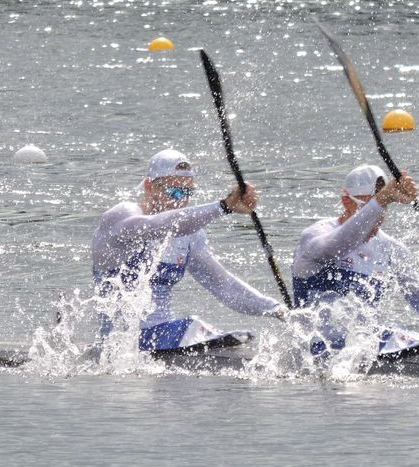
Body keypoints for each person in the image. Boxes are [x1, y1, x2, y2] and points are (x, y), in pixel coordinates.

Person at [291, 164, 419, 354]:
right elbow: (335, 246)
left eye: (384, 207)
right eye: (368, 207)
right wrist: (380, 200)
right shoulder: (316, 235)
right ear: (345, 201)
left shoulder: (390, 249)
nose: (377, 216)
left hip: (364, 346)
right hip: (318, 347)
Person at [92, 149, 285, 351]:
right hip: (121, 346)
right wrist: (224, 206)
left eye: (187, 193)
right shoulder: (122, 215)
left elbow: (225, 287)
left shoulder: (191, 236)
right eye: (174, 191)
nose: (180, 200)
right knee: (194, 326)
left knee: (241, 341)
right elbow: (162, 225)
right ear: (149, 186)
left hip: (164, 339)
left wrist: (276, 309)